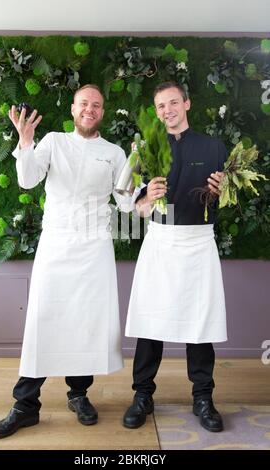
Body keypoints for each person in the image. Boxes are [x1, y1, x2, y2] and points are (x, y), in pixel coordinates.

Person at [0, 84, 140, 439]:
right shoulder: (54, 141)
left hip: (95, 249)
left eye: (96, 105)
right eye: (84, 104)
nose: (90, 109)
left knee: (85, 322)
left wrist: (136, 169)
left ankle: (78, 394)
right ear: (73, 109)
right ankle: (25, 406)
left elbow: (128, 205)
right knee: (43, 320)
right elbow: (27, 180)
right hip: (56, 245)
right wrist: (25, 142)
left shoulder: (115, 152)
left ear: (102, 112)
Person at [123, 81, 227, 433]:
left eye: (173, 102)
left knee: (200, 326)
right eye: (160, 106)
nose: (167, 110)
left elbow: (230, 200)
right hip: (160, 242)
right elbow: (133, 209)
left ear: (186, 103)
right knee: (150, 325)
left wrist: (221, 192)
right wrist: (147, 199)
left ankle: (203, 398)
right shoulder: (145, 149)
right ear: (157, 112)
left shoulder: (213, 147)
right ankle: (142, 396)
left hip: (199, 244)